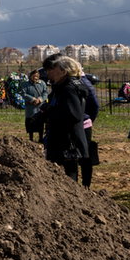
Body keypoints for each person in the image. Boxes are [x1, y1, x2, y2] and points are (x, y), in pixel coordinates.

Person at [40, 54, 88, 182]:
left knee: (68, 177)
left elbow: (75, 114)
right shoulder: (66, 86)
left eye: (54, 68)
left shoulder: (68, 88)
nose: (51, 71)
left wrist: (51, 111)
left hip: (66, 141)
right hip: (65, 139)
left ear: (63, 71)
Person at [22, 69, 49, 142]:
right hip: (30, 107)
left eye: (37, 76)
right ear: (30, 76)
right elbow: (23, 93)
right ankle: (31, 138)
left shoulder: (42, 83)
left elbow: (45, 92)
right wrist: (32, 99)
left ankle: (41, 138)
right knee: (31, 122)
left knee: (40, 122)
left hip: (40, 106)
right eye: (34, 76)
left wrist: (40, 99)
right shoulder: (25, 84)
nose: (35, 78)